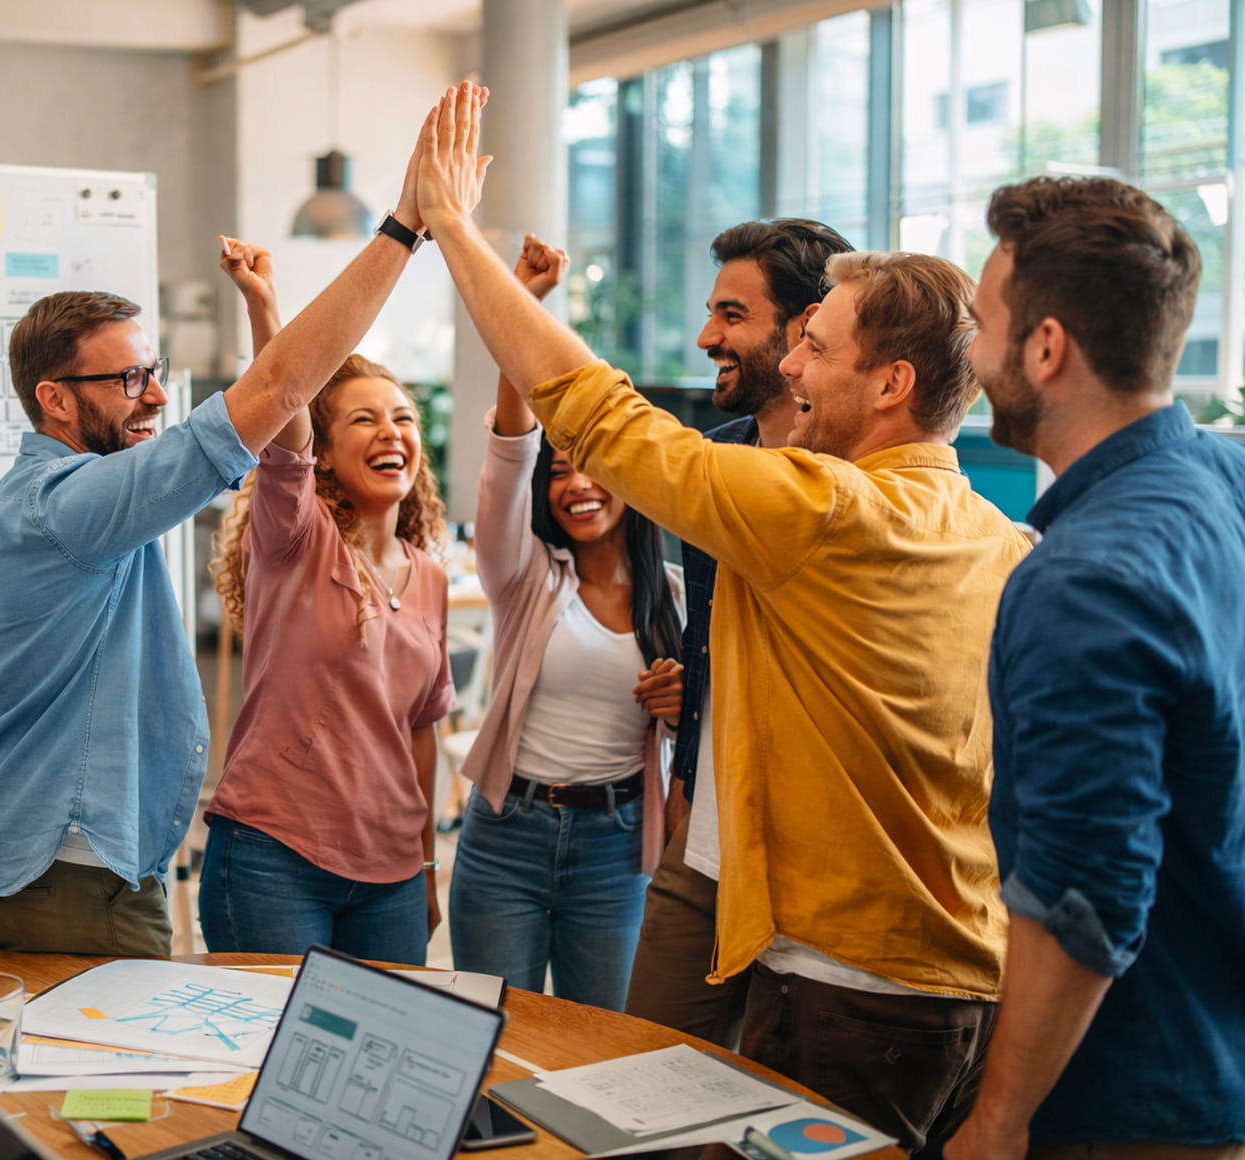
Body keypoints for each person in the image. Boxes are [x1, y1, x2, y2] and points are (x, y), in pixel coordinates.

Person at [412, 85, 1031, 1152]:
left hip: (855, 986)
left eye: (816, 349)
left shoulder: (828, 506)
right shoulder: (994, 533)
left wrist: (450, 226)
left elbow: (599, 413)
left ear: (889, 381)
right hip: (933, 965)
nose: (790, 365)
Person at [0, 95, 458, 956]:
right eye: (127, 379)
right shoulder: (71, 504)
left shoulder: (89, 495)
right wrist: (403, 225)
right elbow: (279, 400)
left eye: (156, 370)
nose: (153, 393)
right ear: (56, 399)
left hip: (89, 865)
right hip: (64, 873)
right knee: (106, 1093)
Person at [946, 178, 1245, 1160]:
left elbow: (1086, 899)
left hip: (1128, 1099)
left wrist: (997, 1120)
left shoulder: (1083, 580)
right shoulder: (1222, 477)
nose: (973, 354)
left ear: (1047, 346)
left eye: (984, 324)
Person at [197, 232, 458, 967]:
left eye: (403, 417)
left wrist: (429, 861)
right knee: (266, 1056)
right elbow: (283, 405)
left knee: (371, 1067)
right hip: (273, 857)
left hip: (393, 875)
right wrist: (264, 305)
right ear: (327, 455)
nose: (391, 433)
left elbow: (420, 734)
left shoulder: (429, 577)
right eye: (365, 420)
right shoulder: (296, 540)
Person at [625, 217, 853, 1042]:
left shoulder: (856, 480)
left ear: (804, 329)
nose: (705, 336)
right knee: (646, 1058)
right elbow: (716, 638)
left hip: (816, 846)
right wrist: (690, 746)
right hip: (706, 826)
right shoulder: (715, 458)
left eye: (732, 315)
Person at [447, 233, 685, 1011]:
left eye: (594, 466)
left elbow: (711, 742)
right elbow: (508, 456)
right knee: (492, 1039)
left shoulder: (679, 600)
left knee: (599, 1044)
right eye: (561, 470)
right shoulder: (523, 578)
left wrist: (685, 708)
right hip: (507, 834)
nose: (577, 485)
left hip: (617, 849)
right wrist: (525, 309)